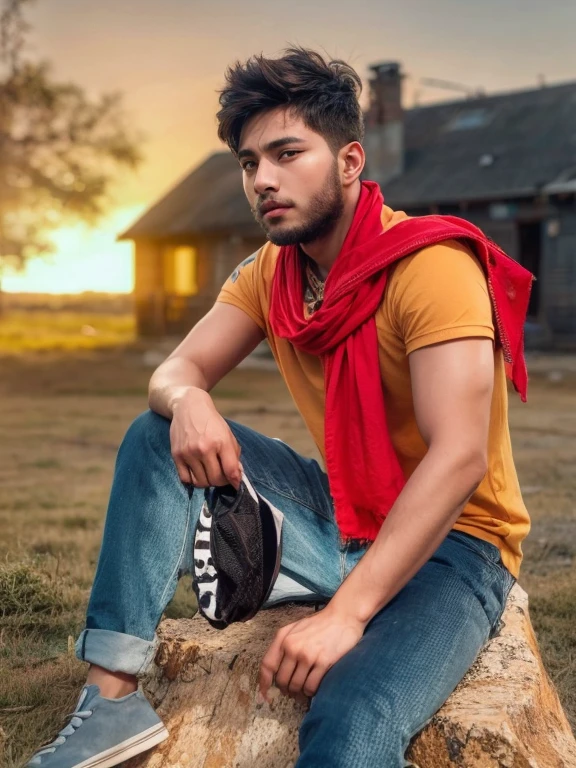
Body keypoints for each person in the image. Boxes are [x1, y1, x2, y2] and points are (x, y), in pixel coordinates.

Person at [26, 47, 531, 768]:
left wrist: (344, 617)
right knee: (155, 433)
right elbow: (176, 370)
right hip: (346, 514)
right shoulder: (273, 274)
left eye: (287, 153)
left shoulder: (432, 269)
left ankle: (289, 578)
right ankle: (110, 702)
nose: (263, 179)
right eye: (248, 161)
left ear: (350, 160)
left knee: (350, 717)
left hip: (459, 545)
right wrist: (190, 396)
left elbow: (460, 458)